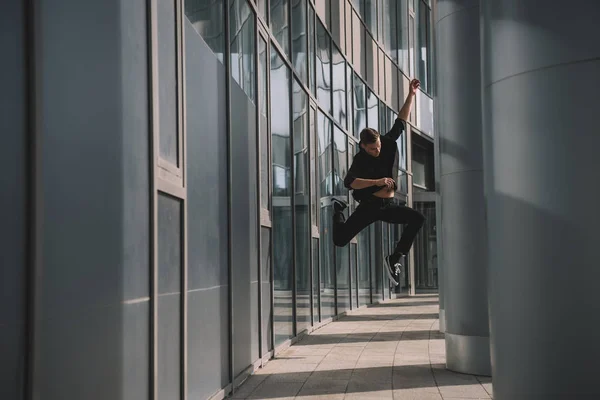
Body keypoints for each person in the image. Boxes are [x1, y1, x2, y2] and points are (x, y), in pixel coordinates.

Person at [332, 79, 425, 286]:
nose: (378, 150)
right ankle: (338, 210)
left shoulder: (388, 143)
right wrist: (377, 181)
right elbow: (351, 182)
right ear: (363, 146)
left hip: (388, 206)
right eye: (373, 149)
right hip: (370, 206)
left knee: (418, 218)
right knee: (340, 241)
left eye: (379, 146)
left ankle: (394, 258)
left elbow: (401, 120)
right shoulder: (360, 159)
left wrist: (411, 94)